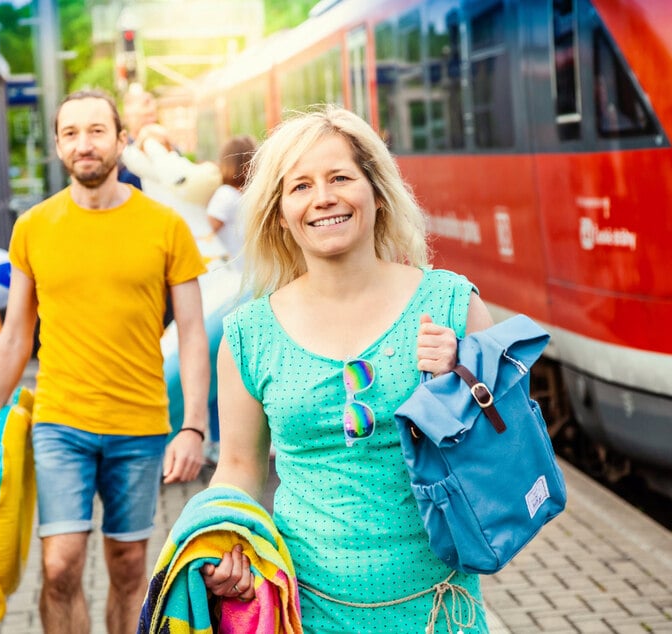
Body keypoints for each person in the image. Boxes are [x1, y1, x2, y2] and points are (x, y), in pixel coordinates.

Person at [201, 106, 495, 632]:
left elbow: (507, 445)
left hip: (438, 612)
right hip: (307, 612)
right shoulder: (247, 335)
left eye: (340, 177)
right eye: (301, 186)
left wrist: (464, 381)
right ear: (280, 212)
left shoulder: (450, 303)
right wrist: (223, 536)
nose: (324, 198)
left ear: (377, 192)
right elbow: (241, 466)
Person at [0, 89, 211, 634]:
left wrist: (194, 426)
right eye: (71, 133)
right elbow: (15, 337)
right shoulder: (33, 226)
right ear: (58, 145)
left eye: (97, 131)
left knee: (129, 568)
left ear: (121, 141)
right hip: (60, 423)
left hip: (141, 425)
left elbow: (195, 333)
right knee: (60, 566)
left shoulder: (165, 226)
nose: (85, 144)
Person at [206, 134, 257, 271]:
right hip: (242, 271)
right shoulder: (231, 194)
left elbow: (207, 232)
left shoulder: (230, 194)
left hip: (241, 272)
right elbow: (209, 232)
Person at [118, 84, 159, 189]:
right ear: (127, 117)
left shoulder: (168, 147)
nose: (150, 121)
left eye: (152, 115)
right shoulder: (120, 153)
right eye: (144, 116)